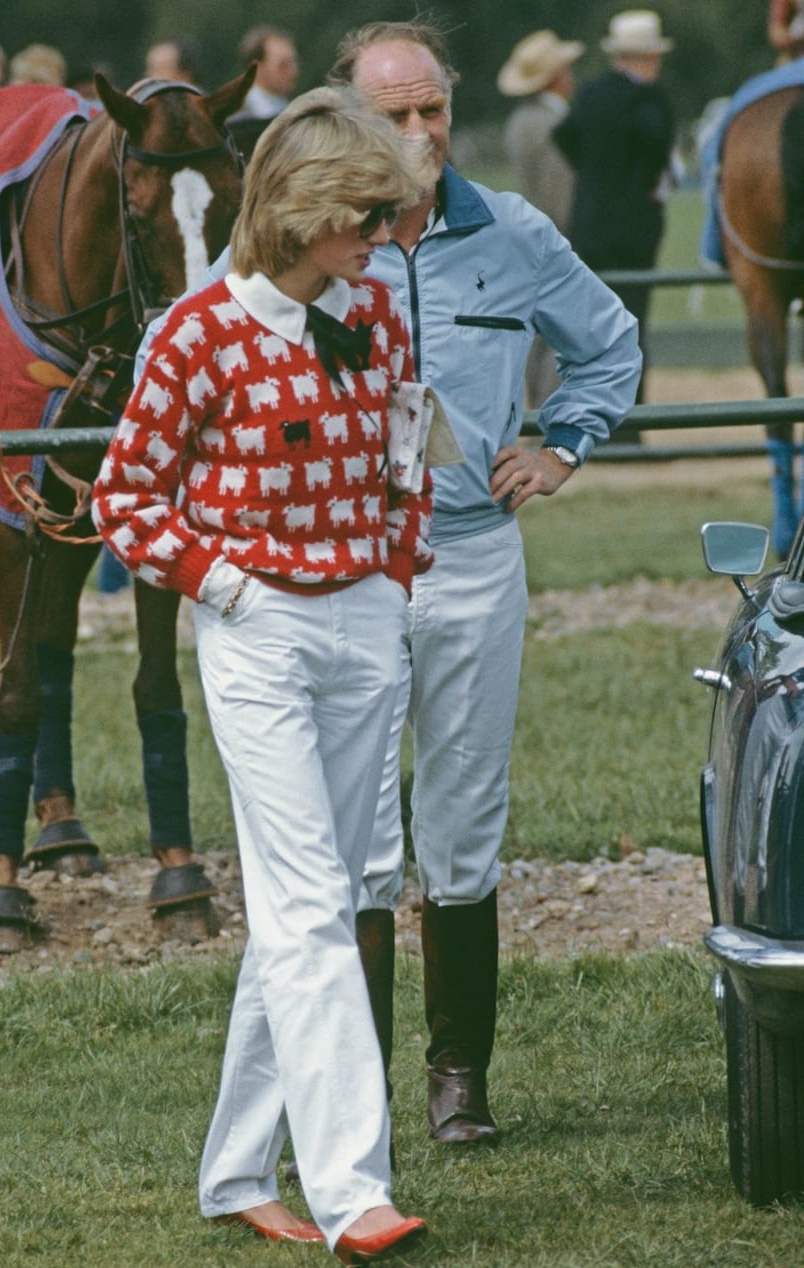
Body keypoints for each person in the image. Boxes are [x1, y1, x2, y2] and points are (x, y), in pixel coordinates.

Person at [92, 86, 434, 1265]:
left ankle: (238, 1168)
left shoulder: (377, 311)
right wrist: (227, 587)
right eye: (365, 215)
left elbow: (404, 448)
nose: (382, 237)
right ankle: (352, 1190)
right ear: (298, 211)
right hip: (259, 634)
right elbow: (123, 494)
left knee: (316, 907)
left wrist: (394, 567)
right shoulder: (194, 333)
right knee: (305, 910)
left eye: (389, 216)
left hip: (365, 625)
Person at [323, 20, 641, 1147]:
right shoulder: (306, 240)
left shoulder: (511, 231)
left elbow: (610, 343)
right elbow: (211, 336)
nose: (418, 132)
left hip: (472, 555)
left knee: (464, 816)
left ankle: (460, 1076)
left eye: (433, 110)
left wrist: (563, 442)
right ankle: (347, 1085)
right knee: (352, 827)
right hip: (346, 566)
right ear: (349, 117)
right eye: (394, 113)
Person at [553, 10, 675, 406]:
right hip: (635, 231)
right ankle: (630, 420)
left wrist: (594, 179)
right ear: (645, 58)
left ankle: (591, 411)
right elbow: (659, 150)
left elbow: (564, 135)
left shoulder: (589, 93)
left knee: (593, 325)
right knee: (632, 323)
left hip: (589, 225)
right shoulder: (650, 100)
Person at [498, 29, 584, 405]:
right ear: (557, 77)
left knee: (536, 331)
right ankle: (549, 412)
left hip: (528, 235)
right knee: (555, 331)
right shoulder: (551, 125)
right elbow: (559, 195)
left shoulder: (523, 120)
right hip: (554, 236)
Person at [235, 25, 299, 118]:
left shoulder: (289, 110)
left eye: (293, 63)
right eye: (283, 65)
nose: (293, 72)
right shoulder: (238, 116)